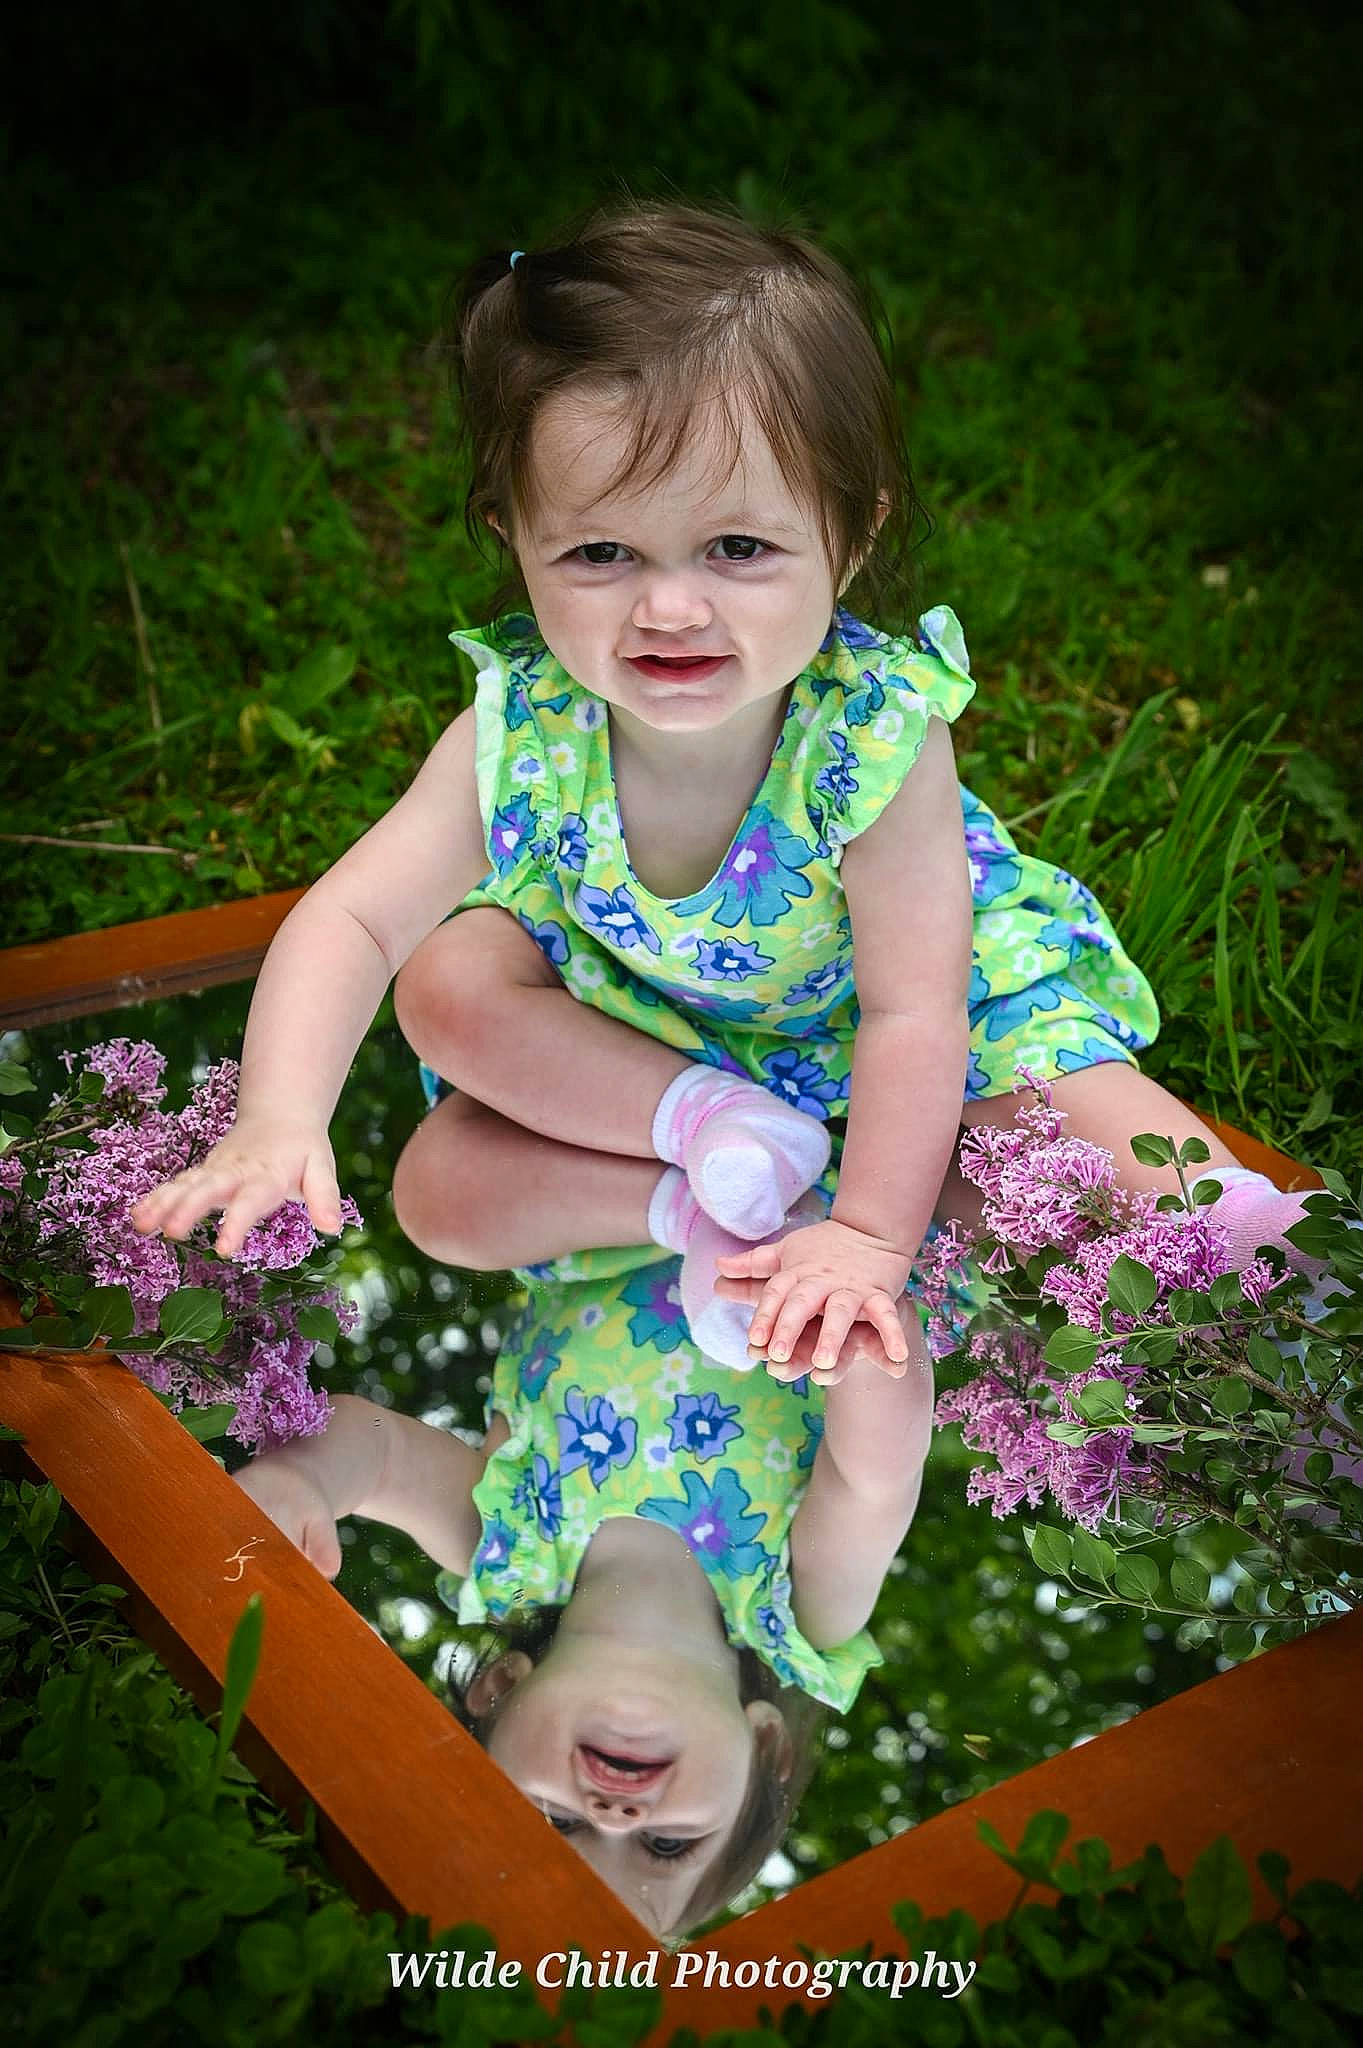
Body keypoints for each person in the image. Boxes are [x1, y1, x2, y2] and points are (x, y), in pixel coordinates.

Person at [131, 200, 1325, 1378]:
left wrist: (868, 1236)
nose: (668, 607)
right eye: (600, 552)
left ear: (852, 535)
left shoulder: (871, 734)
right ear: (512, 535)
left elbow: (917, 1013)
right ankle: (720, 1166)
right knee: (440, 1121)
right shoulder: (526, 729)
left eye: (737, 549)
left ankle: (1272, 1262)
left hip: (926, 1029)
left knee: (1117, 1157)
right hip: (668, 1043)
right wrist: (278, 1119)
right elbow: (350, 918)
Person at [232, 1259, 931, 1933]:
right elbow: (871, 1482)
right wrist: (863, 1317)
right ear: (766, 1749)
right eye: (666, 1848)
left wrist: (309, 1479)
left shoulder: (499, 1545)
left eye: (557, 1822)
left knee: (441, 1205)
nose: (612, 1816)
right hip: (833, 1229)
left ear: (498, 1691)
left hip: (632, 1176)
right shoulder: (801, 1609)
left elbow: (375, 1450)